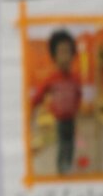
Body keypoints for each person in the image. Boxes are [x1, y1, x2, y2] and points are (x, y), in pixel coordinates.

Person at [31, 29, 81, 175]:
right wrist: (32, 108)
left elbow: (78, 95)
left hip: (71, 119)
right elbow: (38, 96)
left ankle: (68, 166)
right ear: (54, 56)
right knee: (61, 145)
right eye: (61, 52)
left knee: (70, 144)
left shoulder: (75, 78)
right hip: (57, 120)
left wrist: (76, 108)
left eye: (67, 51)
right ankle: (61, 169)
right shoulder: (51, 79)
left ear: (73, 54)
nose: (65, 56)